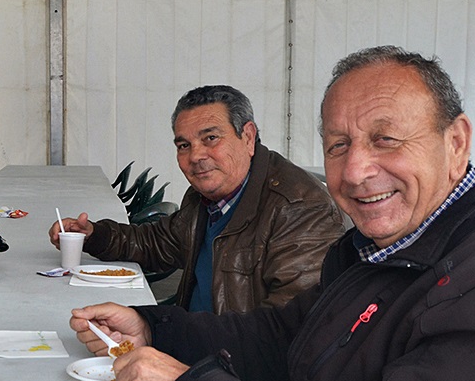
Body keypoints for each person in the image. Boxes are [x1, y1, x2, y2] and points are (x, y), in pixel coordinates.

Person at [70, 46, 475, 381]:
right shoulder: (375, 247)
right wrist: (154, 327)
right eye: (338, 146)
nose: (355, 171)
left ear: (456, 142)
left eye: (385, 138)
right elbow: (287, 335)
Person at [50, 85, 345, 314]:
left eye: (210, 138)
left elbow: (288, 327)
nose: (196, 156)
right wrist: (93, 235)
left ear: (248, 137)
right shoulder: (206, 196)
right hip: (197, 345)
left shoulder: (300, 209)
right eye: (184, 145)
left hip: (234, 373)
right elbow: (157, 244)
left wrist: (170, 336)